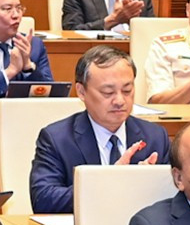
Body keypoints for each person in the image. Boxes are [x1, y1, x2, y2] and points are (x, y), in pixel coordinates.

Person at [29, 46, 171, 212]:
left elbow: (176, 195)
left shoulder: (155, 136)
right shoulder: (57, 139)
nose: (119, 100)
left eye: (127, 90)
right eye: (107, 92)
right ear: (81, 92)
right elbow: (43, 200)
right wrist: (108, 182)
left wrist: (147, 185)